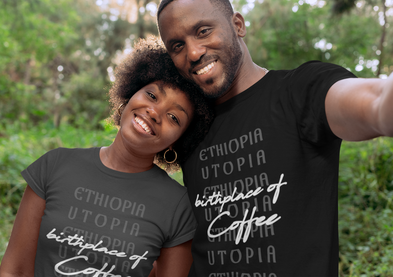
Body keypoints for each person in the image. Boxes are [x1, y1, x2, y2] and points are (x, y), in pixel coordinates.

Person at [156, 0, 393, 276]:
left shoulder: (299, 92)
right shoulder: (186, 125)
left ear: (238, 25)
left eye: (203, 31)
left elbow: (375, 102)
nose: (193, 52)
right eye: (177, 46)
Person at [0, 36, 214, 277]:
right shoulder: (55, 165)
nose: (154, 112)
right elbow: (14, 270)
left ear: (179, 140)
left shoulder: (177, 206)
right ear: (130, 94)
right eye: (152, 96)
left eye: (174, 117)